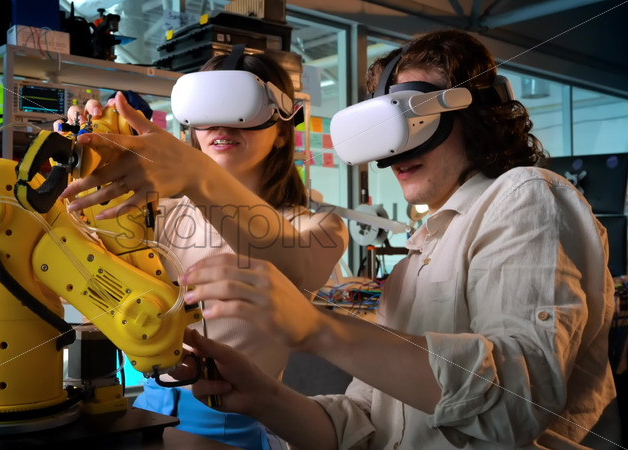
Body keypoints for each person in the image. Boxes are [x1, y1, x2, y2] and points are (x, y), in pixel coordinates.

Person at [176, 30, 617, 449]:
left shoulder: (525, 195)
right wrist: (261, 397)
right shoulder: (413, 265)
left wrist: (318, 329)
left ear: (475, 112)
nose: (395, 151)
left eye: (415, 119)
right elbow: (363, 425)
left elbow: (518, 404)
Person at [57, 51, 349, 449]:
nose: (220, 124)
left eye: (240, 107)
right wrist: (85, 163)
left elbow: (301, 267)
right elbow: (76, 272)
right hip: (142, 414)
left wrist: (197, 174)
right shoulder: (156, 212)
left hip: (233, 430)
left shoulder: (319, 226)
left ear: (282, 131)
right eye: (207, 110)